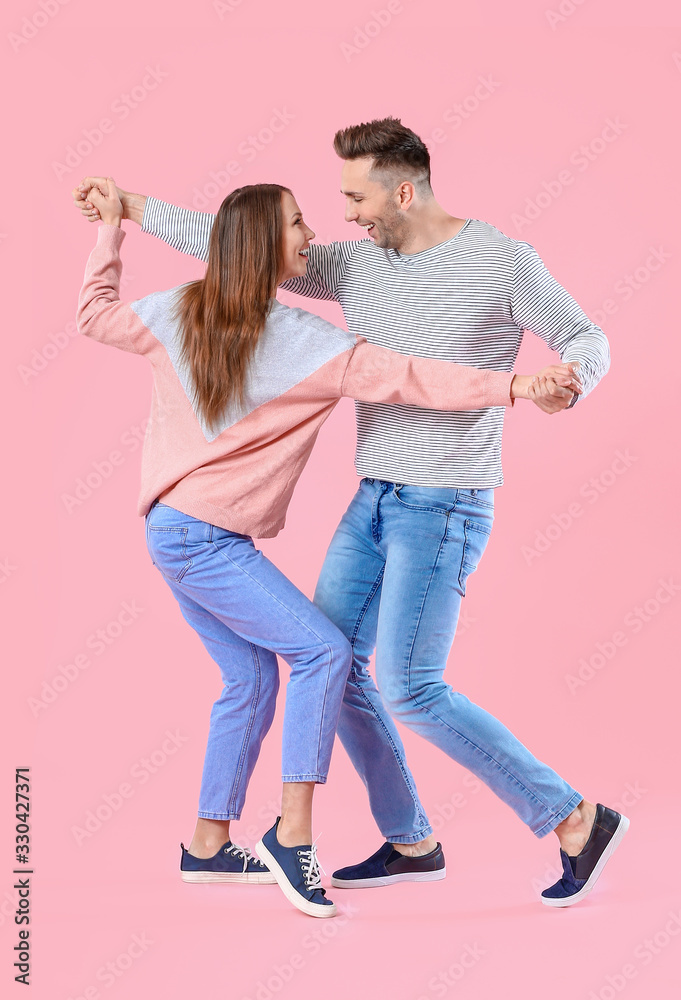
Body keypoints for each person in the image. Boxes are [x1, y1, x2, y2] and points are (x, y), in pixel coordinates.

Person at [73, 116, 626, 909]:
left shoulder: (502, 262)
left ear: (402, 190)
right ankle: (410, 840)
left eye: (353, 196)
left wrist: (567, 380)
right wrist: (130, 205)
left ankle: (573, 818)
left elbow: (583, 335)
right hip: (372, 498)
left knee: (407, 686)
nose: (343, 215)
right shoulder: (354, 266)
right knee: (333, 669)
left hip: (442, 501)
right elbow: (231, 239)